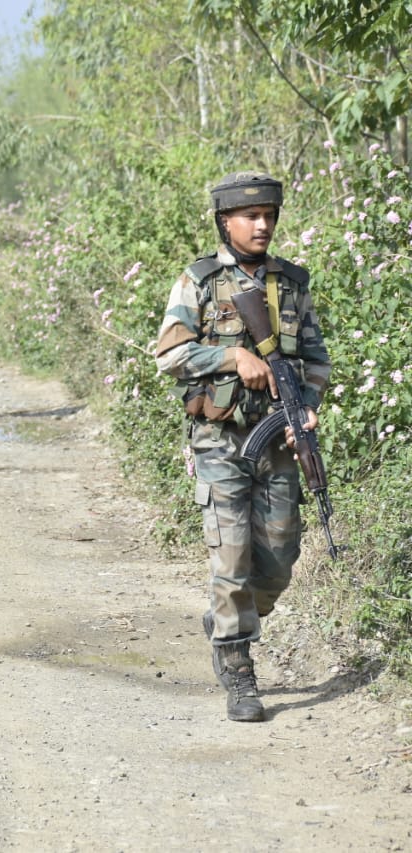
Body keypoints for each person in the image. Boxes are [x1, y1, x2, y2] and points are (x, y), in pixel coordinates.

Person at [155, 171, 331, 722]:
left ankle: (228, 618)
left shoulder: (293, 283)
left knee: (279, 560)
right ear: (224, 222)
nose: (262, 225)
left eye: (269, 216)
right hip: (220, 441)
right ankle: (237, 666)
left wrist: (306, 404)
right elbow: (170, 356)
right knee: (231, 559)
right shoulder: (200, 281)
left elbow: (317, 359)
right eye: (251, 216)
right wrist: (234, 359)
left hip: (278, 440)